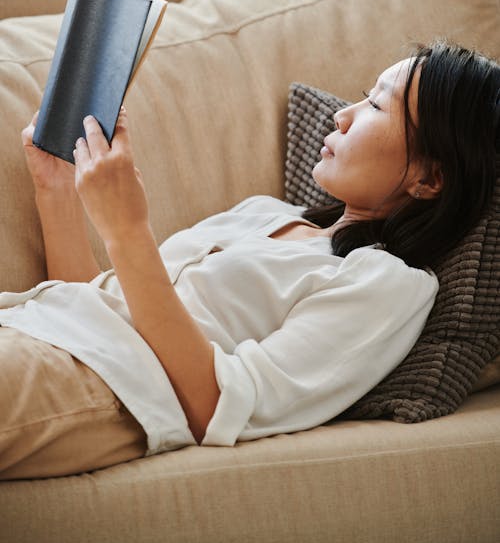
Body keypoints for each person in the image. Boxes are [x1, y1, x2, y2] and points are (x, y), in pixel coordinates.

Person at [0, 41, 498, 479]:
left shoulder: (387, 282)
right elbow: (92, 302)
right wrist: (56, 188)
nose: (342, 114)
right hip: (34, 327)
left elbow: (218, 408)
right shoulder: (266, 213)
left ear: (430, 179)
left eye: (375, 105)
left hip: (93, 379)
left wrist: (127, 232)